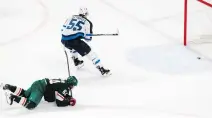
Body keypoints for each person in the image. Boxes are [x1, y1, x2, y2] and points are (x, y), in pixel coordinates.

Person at [61, 7, 111, 76]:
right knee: (91, 53)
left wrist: (78, 35)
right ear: (86, 14)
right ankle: (102, 69)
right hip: (73, 41)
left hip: (63, 40)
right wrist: (82, 35)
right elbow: (88, 39)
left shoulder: (71, 17)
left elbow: (64, 29)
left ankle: (76, 60)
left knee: (72, 47)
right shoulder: (88, 22)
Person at [2, 76, 78, 110]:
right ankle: (12, 97)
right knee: (31, 105)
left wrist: (66, 96)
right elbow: (58, 103)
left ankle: (8, 86)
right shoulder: (65, 87)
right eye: (73, 85)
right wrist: (68, 102)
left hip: (38, 83)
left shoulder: (63, 81)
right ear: (71, 85)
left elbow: (56, 88)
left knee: (25, 94)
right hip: (40, 88)